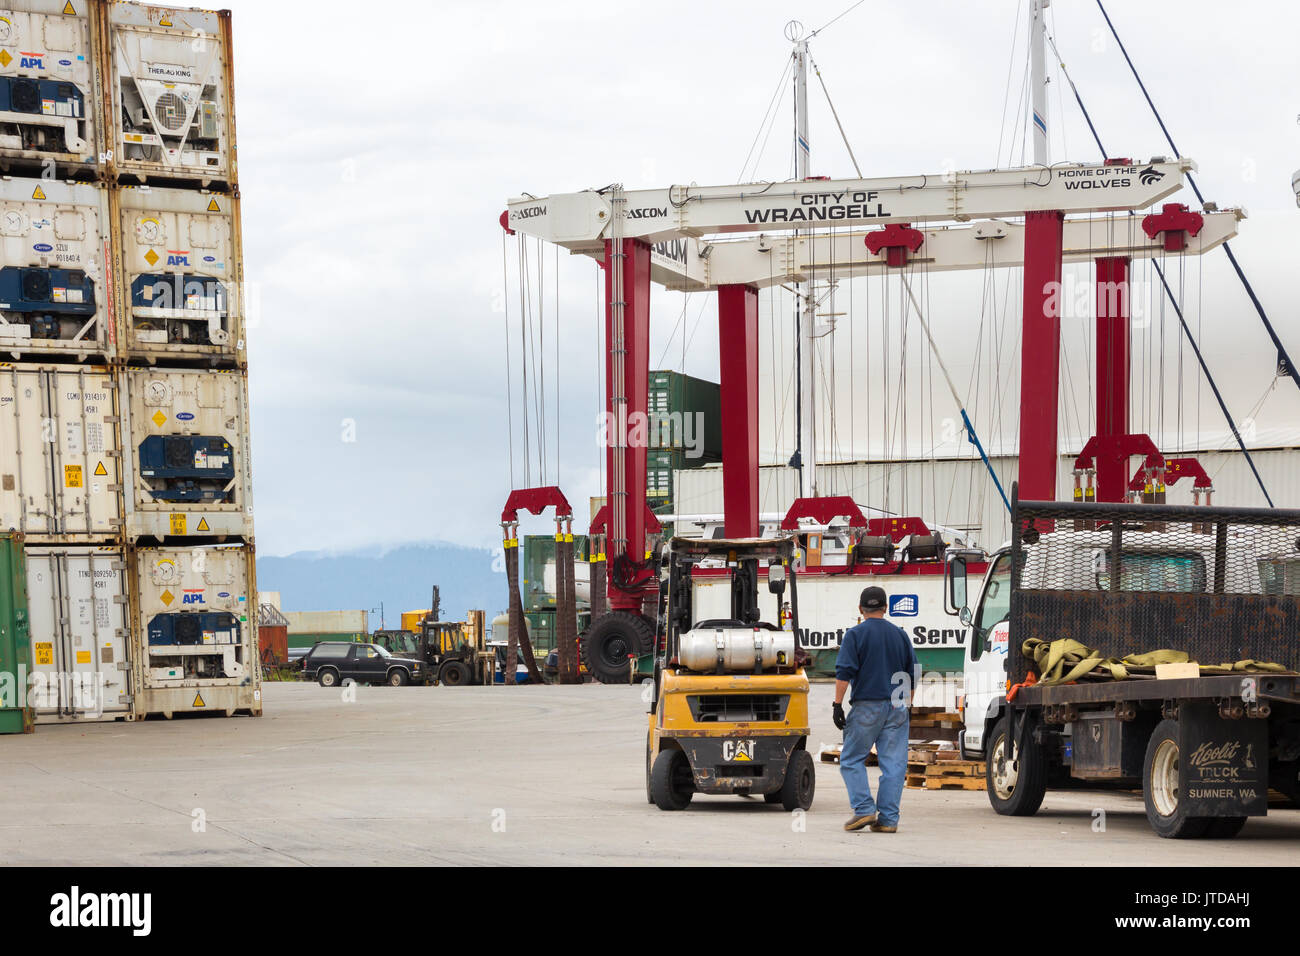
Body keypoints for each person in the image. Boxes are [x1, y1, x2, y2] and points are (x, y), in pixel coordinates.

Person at [832, 585, 919, 833]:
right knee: (894, 764)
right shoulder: (900, 635)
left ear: (860, 609)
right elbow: (913, 673)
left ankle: (864, 810)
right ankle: (888, 820)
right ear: (886, 607)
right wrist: (907, 704)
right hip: (897, 704)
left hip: (866, 705)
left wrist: (837, 704)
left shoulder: (855, 635)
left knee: (851, 759)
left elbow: (844, 672)